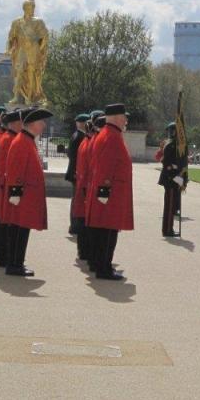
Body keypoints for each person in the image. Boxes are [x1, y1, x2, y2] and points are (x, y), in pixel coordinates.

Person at [85, 103, 133, 280]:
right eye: (124, 117)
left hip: (111, 192)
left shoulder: (110, 134)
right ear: (117, 117)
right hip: (110, 194)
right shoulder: (111, 136)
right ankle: (103, 268)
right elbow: (105, 166)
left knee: (105, 232)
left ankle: (102, 265)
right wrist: (104, 190)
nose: (126, 120)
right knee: (107, 232)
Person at [4, 107, 53, 276]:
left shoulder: (27, 140)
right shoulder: (21, 142)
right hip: (22, 197)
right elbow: (15, 170)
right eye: (41, 122)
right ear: (32, 124)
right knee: (19, 230)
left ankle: (17, 262)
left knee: (21, 230)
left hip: (25, 196)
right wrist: (15, 194)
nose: (44, 125)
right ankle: (14, 264)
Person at [0, 109, 23, 267]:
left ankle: (1, 254)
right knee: (6, 223)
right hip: (6, 185)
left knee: (2, 222)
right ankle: (4, 256)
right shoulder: (8, 139)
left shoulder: (6, 137)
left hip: (2, 183)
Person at [73, 111, 105, 266]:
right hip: (88, 185)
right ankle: (89, 253)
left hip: (84, 184)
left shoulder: (87, 140)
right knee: (89, 223)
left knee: (84, 221)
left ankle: (85, 251)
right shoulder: (91, 142)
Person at [6, 0, 49, 106]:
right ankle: (16, 96)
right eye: (31, 7)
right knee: (19, 72)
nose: (33, 9)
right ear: (25, 8)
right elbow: (11, 37)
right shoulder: (17, 22)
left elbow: (45, 36)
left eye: (34, 7)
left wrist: (40, 49)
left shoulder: (38, 21)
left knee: (31, 73)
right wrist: (8, 49)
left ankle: (29, 97)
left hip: (34, 50)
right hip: (21, 50)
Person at [157, 122, 188, 237]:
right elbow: (166, 163)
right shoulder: (171, 145)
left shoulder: (175, 144)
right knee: (170, 206)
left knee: (172, 205)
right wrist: (175, 176)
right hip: (170, 179)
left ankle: (168, 228)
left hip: (173, 178)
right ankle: (167, 230)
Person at [65, 113, 90, 235]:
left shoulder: (77, 135)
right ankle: (74, 225)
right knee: (76, 200)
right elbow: (74, 156)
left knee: (76, 199)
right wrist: (76, 172)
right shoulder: (79, 137)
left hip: (75, 172)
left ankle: (74, 224)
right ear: (83, 123)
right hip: (76, 172)